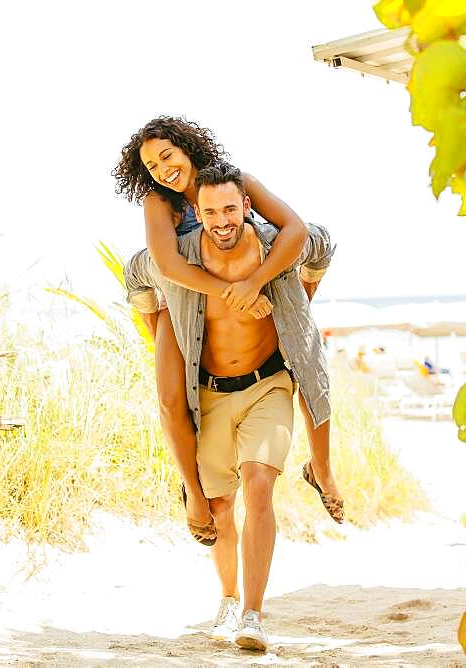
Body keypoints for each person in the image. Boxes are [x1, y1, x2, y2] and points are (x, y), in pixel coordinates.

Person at [124, 163, 335, 651]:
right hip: (211, 392)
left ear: (246, 207)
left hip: (268, 385)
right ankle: (227, 597)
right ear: (196, 212)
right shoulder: (177, 259)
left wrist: (303, 294)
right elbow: (134, 276)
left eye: (231, 209)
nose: (222, 220)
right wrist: (157, 332)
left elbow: (321, 241)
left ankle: (253, 615)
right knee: (221, 507)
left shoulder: (272, 246)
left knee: (260, 484)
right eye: (211, 211)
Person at [113, 117, 344, 547]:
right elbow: (167, 266)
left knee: (304, 355)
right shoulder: (158, 203)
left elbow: (294, 229)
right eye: (151, 165)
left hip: (252, 291)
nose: (162, 169)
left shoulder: (236, 184)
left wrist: (255, 284)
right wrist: (232, 293)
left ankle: (322, 467)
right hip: (183, 302)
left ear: (187, 147)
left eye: (167, 155)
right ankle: (194, 494)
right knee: (169, 398)